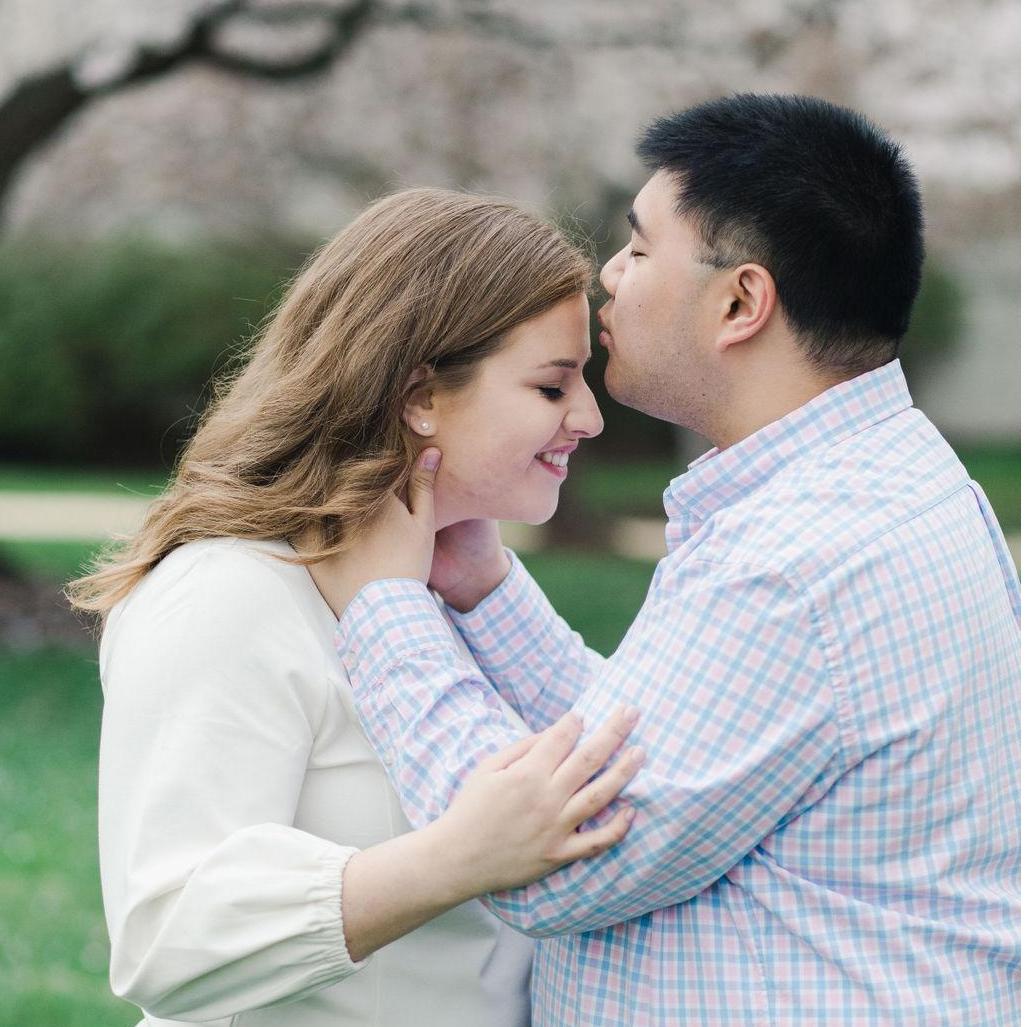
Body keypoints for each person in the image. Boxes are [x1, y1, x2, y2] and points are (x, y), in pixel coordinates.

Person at [318, 95, 1021, 1025]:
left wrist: (385, 607)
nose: (609, 275)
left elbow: (553, 862)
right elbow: (642, 752)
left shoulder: (799, 557)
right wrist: (482, 591)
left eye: (640, 248)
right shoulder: (875, 480)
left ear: (741, 302)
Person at [67, 188, 646, 1027]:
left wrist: (488, 592)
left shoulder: (454, 589)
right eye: (552, 387)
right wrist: (454, 859)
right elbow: (167, 936)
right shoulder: (224, 595)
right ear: (418, 395)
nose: (589, 418)